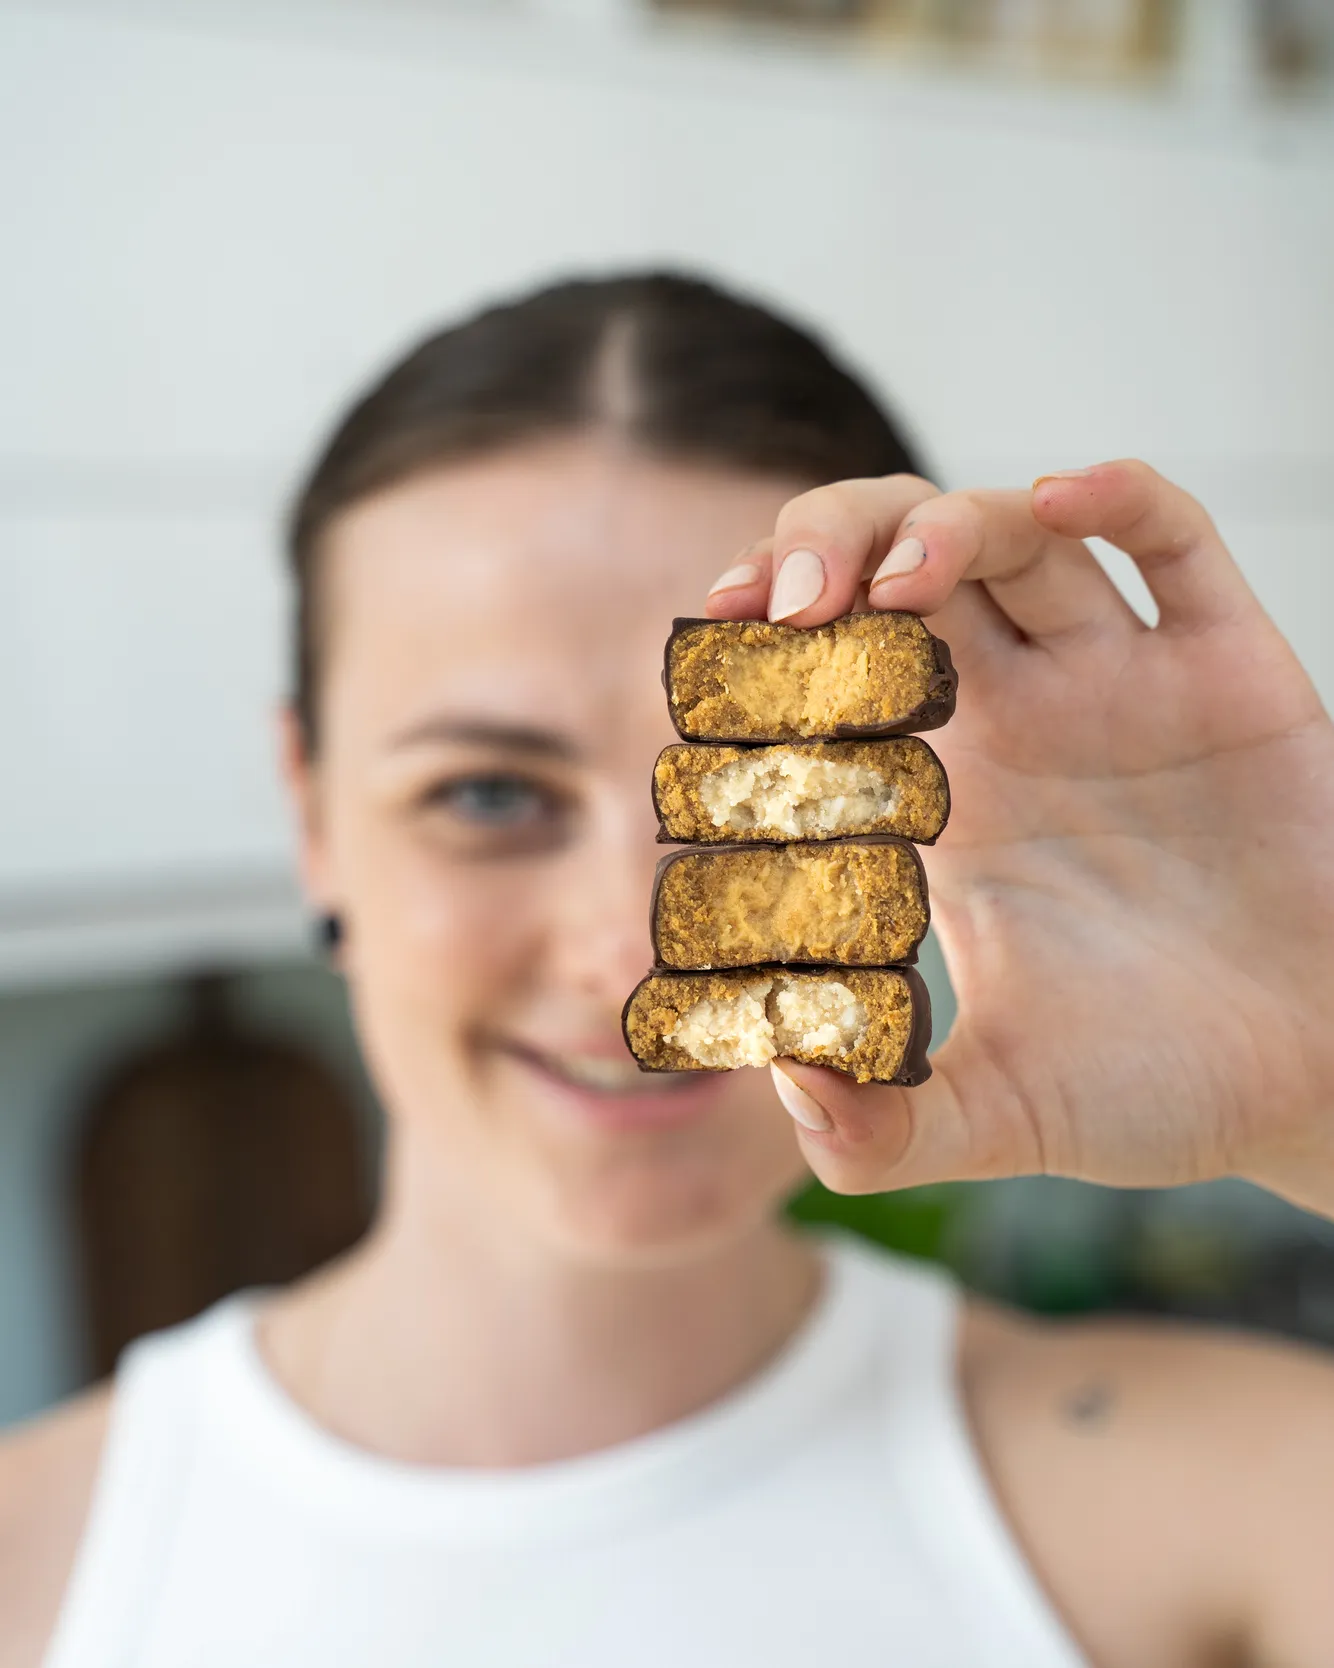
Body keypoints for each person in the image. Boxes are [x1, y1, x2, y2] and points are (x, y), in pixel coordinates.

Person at [1, 272, 1332, 1668]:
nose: (634, 948)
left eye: (758, 792)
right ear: (311, 814)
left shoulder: (1247, 1503)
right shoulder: (31, 1569)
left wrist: (1315, 1087)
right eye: (488, 796)